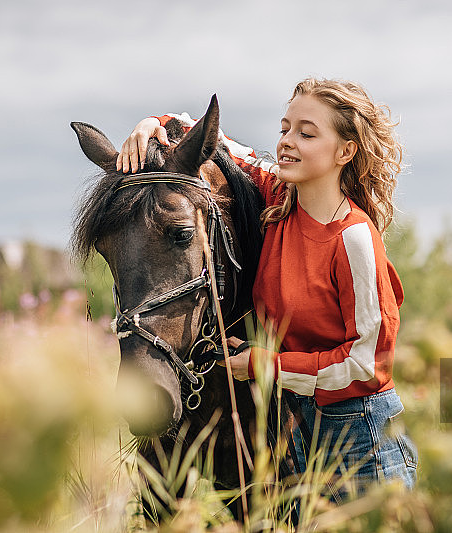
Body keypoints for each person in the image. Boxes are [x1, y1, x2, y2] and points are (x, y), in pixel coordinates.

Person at [117, 78, 417, 498]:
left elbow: (367, 365)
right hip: (297, 428)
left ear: (345, 151)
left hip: (360, 436)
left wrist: (268, 366)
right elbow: (210, 138)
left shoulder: (354, 238)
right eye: (284, 129)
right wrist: (153, 124)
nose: (287, 143)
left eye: (306, 133)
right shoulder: (277, 195)